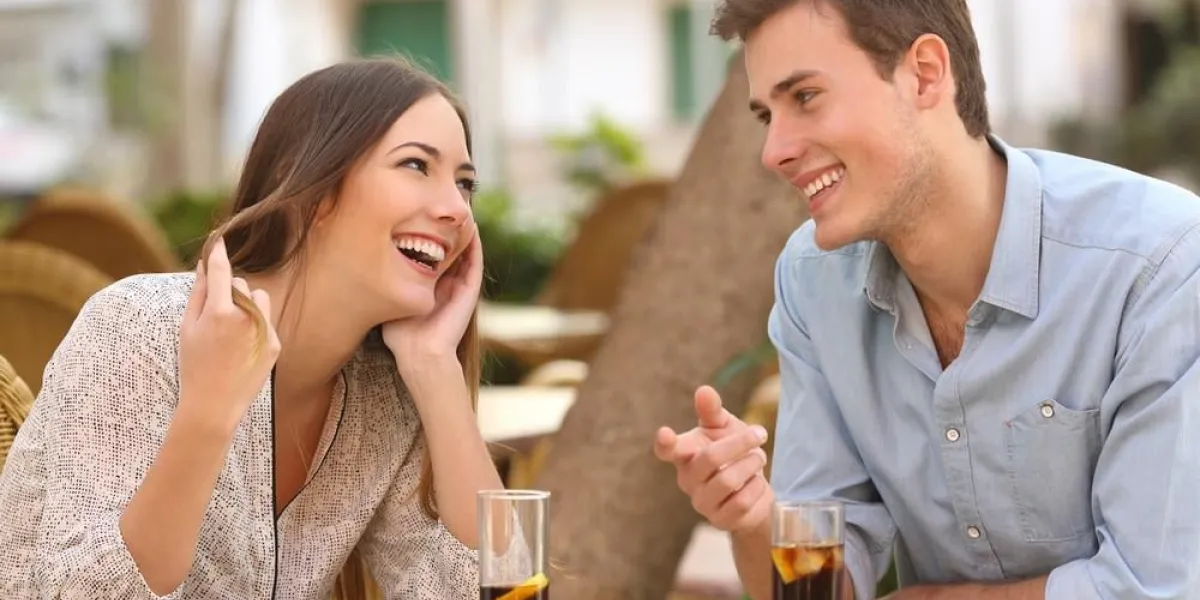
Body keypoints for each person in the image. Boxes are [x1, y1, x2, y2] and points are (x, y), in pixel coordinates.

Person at [655, 1, 1200, 599]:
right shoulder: (814, 282)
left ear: (925, 73)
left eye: (805, 97)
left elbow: (1155, 588)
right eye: (767, 115)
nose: (774, 151)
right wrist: (756, 518)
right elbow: (823, 588)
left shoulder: (1161, 264)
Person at [0, 58, 503, 599]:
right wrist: (208, 412)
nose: (456, 209)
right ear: (310, 188)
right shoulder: (139, 329)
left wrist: (435, 369)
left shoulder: (382, 392)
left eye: (465, 182)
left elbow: (490, 591)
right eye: (415, 166)